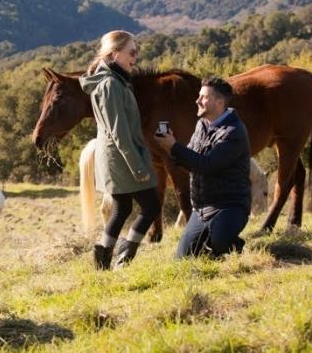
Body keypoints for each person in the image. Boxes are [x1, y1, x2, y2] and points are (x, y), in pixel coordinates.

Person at [79, 30, 161, 270]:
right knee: (151, 207)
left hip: (116, 157)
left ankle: (102, 261)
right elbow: (119, 133)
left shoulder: (115, 80)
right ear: (114, 54)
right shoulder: (110, 85)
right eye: (131, 52)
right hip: (121, 159)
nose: (136, 57)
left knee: (122, 208)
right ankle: (124, 258)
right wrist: (138, 167)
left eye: (137, 52)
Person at [155, 77, 251, 259]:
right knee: (183, 258)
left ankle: (233, 244)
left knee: (219, 243)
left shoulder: (233, 132)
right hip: (201, 208)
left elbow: (206, 165)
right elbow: (192, 158)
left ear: (219, 102)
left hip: (229, 206)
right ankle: (217, 240)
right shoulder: (202, 125)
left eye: (203, 97)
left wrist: (174, 146)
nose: (197, 101)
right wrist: (171, 149)